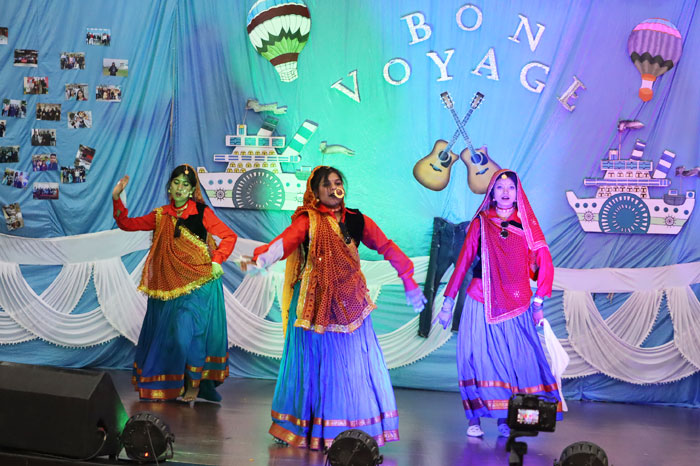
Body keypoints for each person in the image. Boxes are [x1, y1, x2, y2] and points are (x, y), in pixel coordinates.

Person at [250, 166, 426, 449]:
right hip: (315, 307)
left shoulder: (356, 219)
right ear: (315, 192)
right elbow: (285, 243)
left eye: (337, 182)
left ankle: (349, 429)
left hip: (352, 304)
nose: (333, 188)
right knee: (315, 368)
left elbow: (386, 246)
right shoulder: (308, 220)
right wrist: (261, 259)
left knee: (352, 368)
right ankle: (306, 429)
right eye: (326, 184)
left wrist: (408, 279)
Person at [435, 169, 561, 438]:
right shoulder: (481, 223)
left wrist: (538, 302)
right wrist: (448, 302)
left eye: (511, 188)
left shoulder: (526, 224)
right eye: (500, 187)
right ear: (491, 193)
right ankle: (475, 419)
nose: (505, 192)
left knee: (513, 363)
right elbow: (463, 263)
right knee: (474, 359)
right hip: (480, 301)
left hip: (515, 304)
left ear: (518, 193)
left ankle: (506, 418)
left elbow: (545, 262)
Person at [112, 164, 237, 403]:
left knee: (190, 336)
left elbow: (229, 236)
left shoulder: (202, 213)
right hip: (170, 287)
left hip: (199, 285)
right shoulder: (161, 215)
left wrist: (217, 260)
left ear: (192, 190)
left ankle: (194, 384)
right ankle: (177, 382)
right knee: (174, 338)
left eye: (185, 185)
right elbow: (127, 223)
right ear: (169, 187)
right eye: (176, 183)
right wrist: (117, 198)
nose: (180, 188)